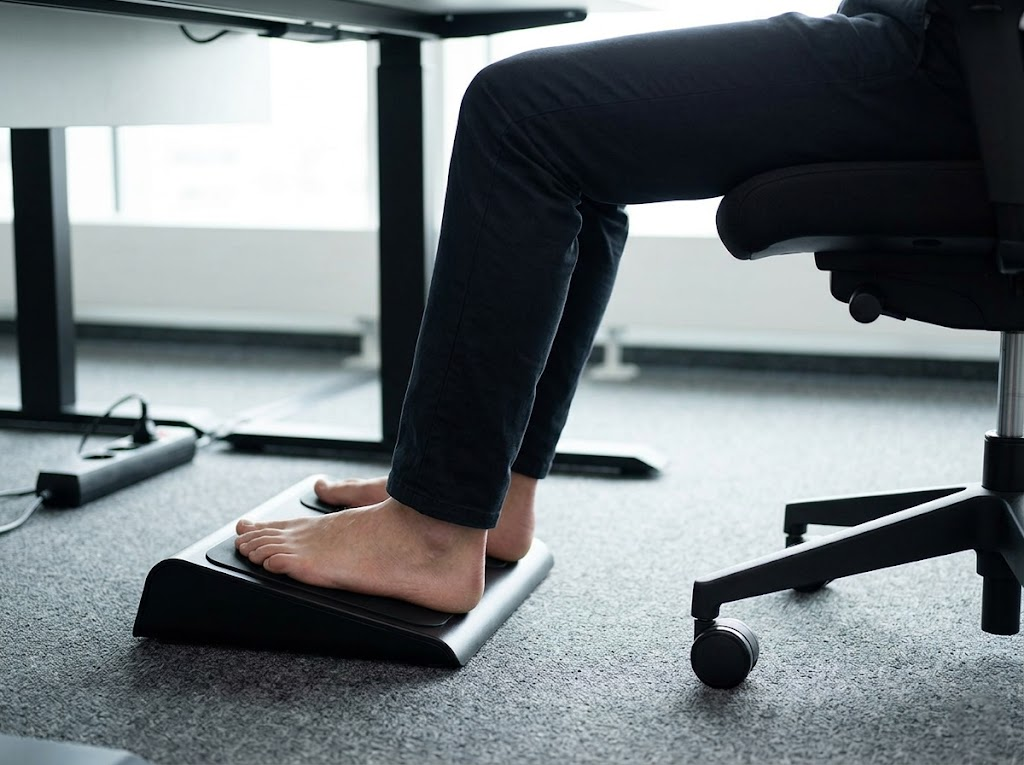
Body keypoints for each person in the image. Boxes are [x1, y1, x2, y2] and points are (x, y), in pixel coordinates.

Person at [234, 0, 977, 613]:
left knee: (517, 115)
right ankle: (490, 493)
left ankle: (433, 529)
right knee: (576, 150)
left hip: (946, 57)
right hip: (949, 53)